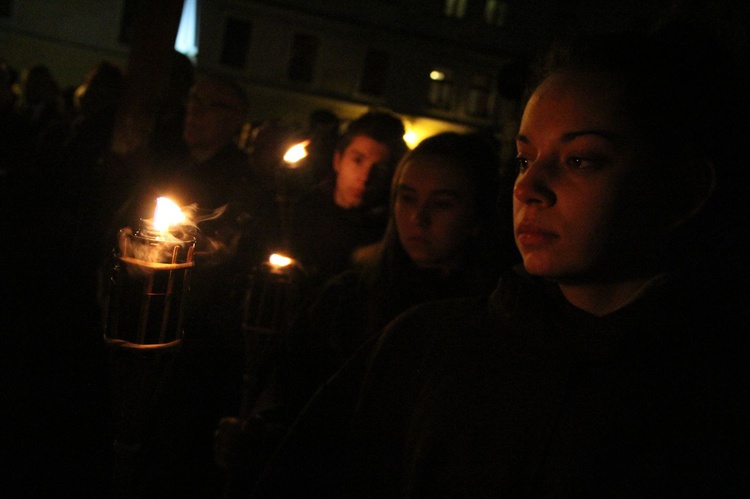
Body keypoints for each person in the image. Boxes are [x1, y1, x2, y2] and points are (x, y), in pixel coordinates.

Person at [336, 27, 750, 497]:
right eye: (524, 159)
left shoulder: (716, 403)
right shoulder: (427, 346)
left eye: (581, 160)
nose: (527, 188)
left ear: (684, 189)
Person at [217, 131, 518, 497]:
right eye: (407, 198)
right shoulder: (349, 297)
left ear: (478, 213)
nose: (417, 218)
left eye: (441, 204)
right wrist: (257, 435)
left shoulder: (498, 321)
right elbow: (295, 400)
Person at [283, 110, 408, 290]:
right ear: (338, 160)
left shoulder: (391, 228)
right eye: (358, 160)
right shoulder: (302, 209)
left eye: (380, 169)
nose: (365, 177)